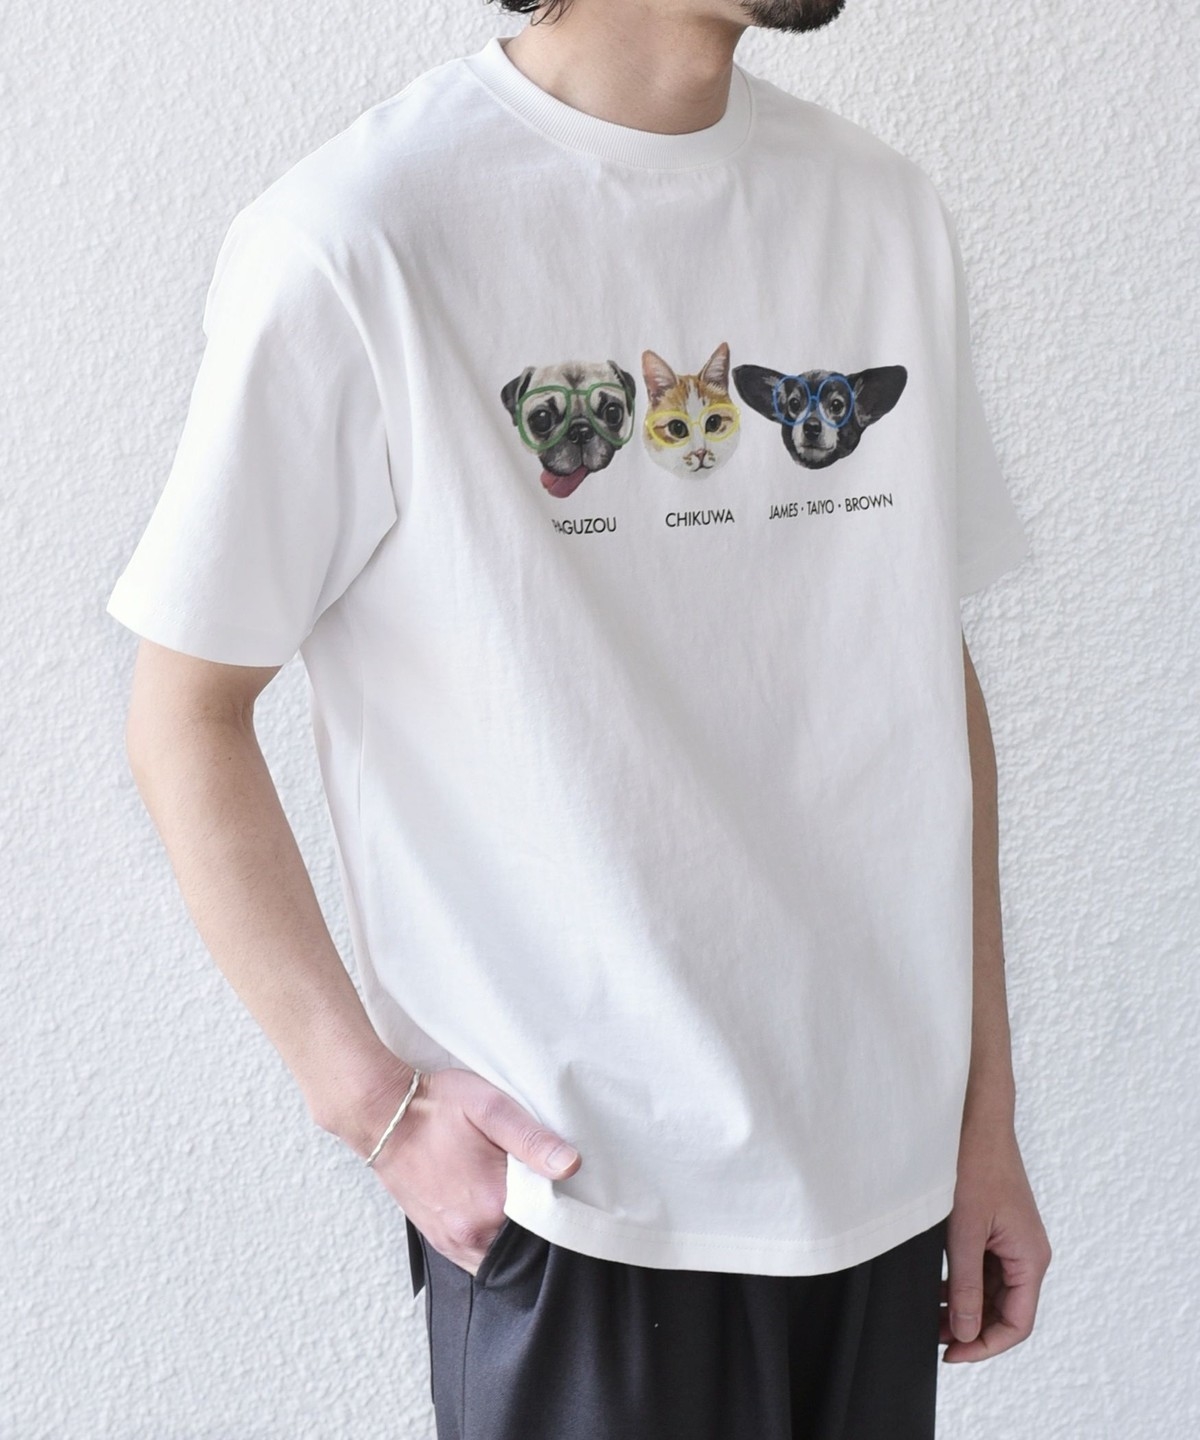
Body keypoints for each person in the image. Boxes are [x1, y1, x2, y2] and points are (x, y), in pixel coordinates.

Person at [105, 0, 1052, 1435]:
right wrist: (370, 1104)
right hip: (581, 1204)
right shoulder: (363, 236)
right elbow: (185, 711)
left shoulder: (882, 212)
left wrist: (983, 1117)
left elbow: (920, 673)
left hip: (884, 1183)